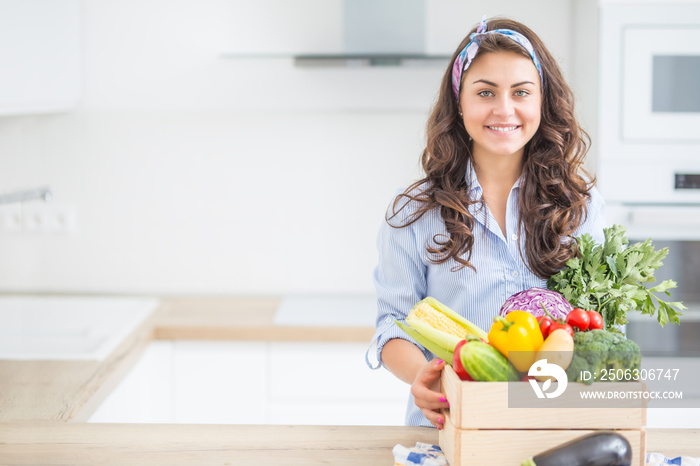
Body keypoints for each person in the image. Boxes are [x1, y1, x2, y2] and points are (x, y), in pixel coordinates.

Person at [365, 17, 606, 430]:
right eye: (485, 92)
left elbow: (598, 320)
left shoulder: (579, 207)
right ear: (459, 102)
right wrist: (426, 378)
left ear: (542, 102)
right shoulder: (414, 213)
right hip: (449, 423)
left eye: (521, 92)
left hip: (550, 425)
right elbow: (393, 325)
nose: (504, 109)